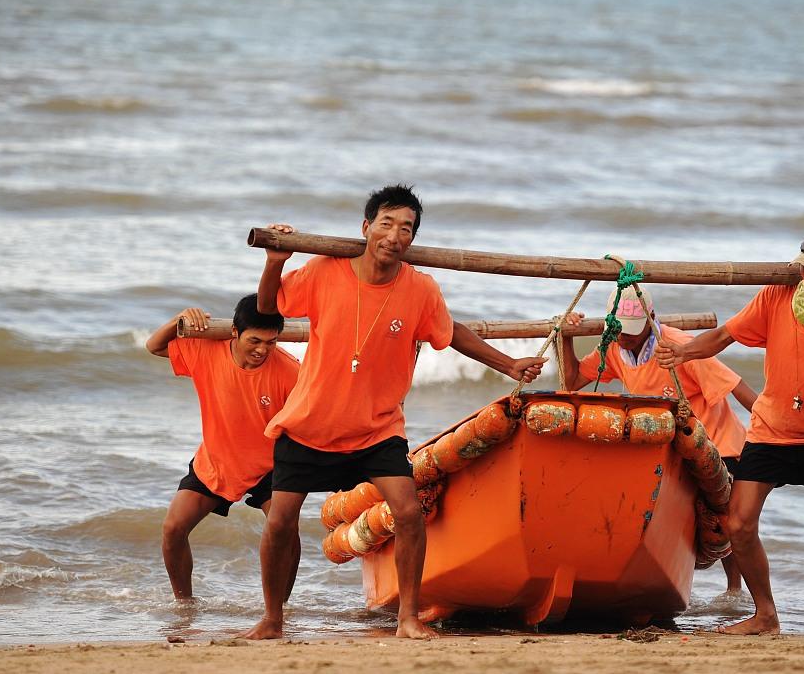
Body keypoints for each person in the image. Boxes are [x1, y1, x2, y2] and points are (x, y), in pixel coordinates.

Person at [247, 184, 547, 640]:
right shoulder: (325, 271)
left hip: (376, 429)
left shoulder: (420, 289)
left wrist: (509, 365)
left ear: (411, 239)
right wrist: (274, 261)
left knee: (408, 513)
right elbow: (270, 307)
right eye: (386, 223)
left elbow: (452, 332)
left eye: (405, 228)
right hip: (310, 424)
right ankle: (272, 619)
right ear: (366, 227)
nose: (394, 234)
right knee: (281, 521)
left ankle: (407, 618)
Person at [655, 226, 804, 637]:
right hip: (775, 424)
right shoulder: (776, 296)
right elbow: (726, 335)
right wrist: (684, 351)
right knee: (739, 523)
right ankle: (765, 615)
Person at [559, 285, 758, 595]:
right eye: (620, 330)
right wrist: (566, 336)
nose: (625, 336)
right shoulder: (613, 348)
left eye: (633, 331)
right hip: (669, 446)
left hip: (718, 443)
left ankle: (735, 590)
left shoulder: (678, 347)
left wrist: (772, 429)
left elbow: (735, 385)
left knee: (724, 520)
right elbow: (572, 382)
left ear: (651, 319)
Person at [144, 294, 301, 602]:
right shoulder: (206, 351)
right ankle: (184, 605)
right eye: (254, 340)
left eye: (270, 342)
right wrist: (179, 321)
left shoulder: (290, 371)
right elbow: (154, 346)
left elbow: (314, 414)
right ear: (234, 332)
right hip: (217, 461)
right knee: (173, 529)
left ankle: (279, 608)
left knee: (286, 533)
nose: (262, 350)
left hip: (271, 466)